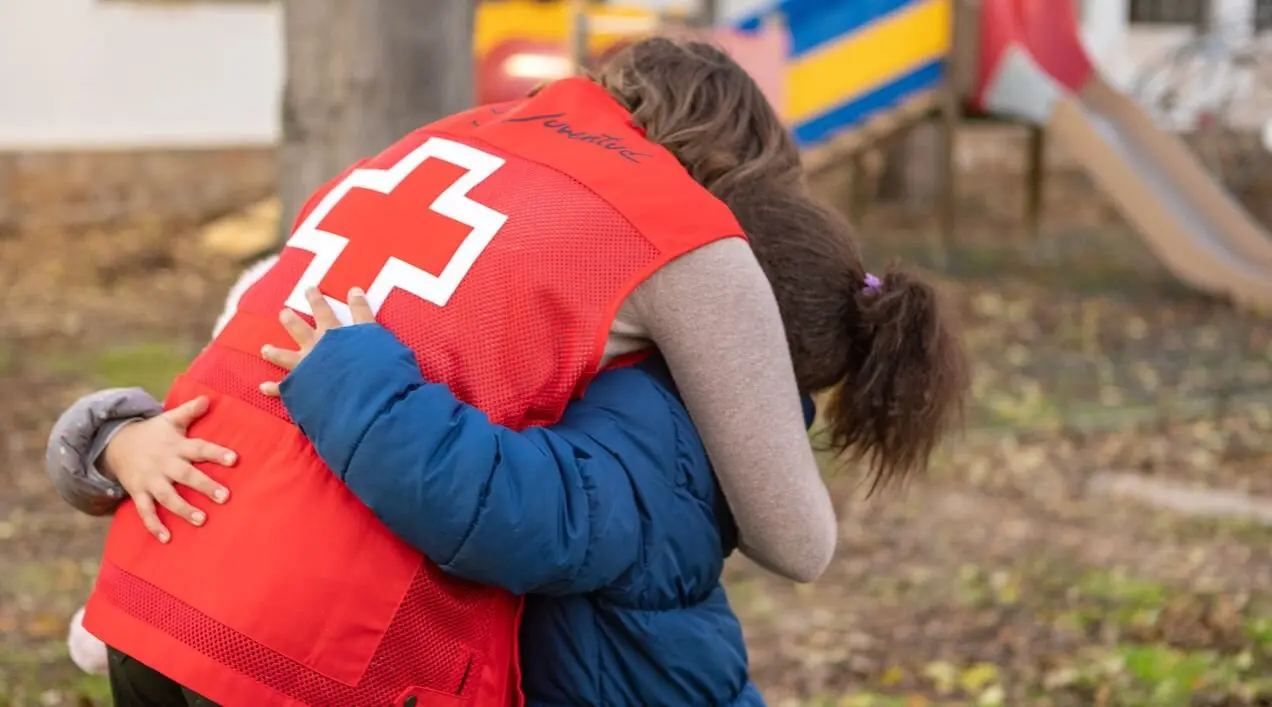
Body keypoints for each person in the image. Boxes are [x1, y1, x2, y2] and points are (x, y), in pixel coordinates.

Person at [48, 39, 967, 706]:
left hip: (151, 581)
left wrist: (107, 440)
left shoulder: (445, 142)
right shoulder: (684, 235)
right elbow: (798, 541)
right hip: (310, 644)